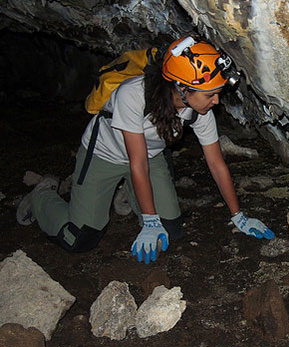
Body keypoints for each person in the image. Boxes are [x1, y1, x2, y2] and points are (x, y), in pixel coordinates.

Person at [16, 36, 275, 264]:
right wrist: (150, 221)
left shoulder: (199, 110)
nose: (216, 101)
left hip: (149, 157)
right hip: (105, 154)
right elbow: (135, 162)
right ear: (183, 88)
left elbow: (217, 165)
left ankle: (129, 193)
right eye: (210, 95)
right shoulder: (134, 95)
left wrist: (238, 216)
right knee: (79, 238)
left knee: (169, 233)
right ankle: (42, 196)